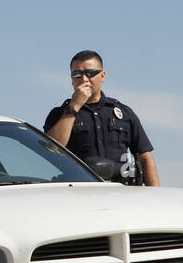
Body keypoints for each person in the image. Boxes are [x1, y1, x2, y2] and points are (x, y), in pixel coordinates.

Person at [44, 50, 160, 186]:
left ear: (102, 76)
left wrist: (154, 194)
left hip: (122, 190)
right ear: (71, 79)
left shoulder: (122, 112)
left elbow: (145, 157)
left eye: (90, 73)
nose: (84, 79)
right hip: (80, 191)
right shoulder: (60, 114)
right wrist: (74, 106)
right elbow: (52, 149)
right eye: (77, 74)